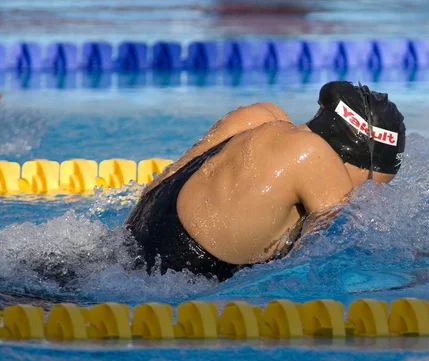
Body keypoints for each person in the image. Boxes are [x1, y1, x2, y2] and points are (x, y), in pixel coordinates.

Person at [124, 81, 406, 281]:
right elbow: (345, 262)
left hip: (115, 257)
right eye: (370, 186)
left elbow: (154, 191)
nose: (365, 197)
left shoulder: (257, 117)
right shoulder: (314, 157)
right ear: (356, 160)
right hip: (163, 291)